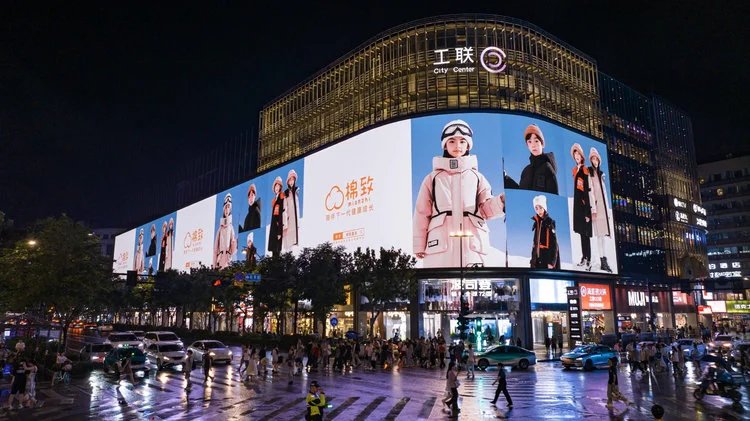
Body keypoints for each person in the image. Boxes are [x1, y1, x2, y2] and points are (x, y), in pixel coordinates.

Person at [413, 119, 505, 268]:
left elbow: (485, 210)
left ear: (468, 145)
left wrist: (501, 202)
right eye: (452, 141)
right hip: (440, 248)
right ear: (445, 145)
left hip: (472, 247)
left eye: (462, 141)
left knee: (472, 282)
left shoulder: (477, 177)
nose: (458, 146)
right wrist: (419, 244)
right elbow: (421, 212)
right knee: (440, 282)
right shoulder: (432, 178)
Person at [506, 123, 559, 194]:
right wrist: (505, 178)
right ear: (527, 146)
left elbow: (554, 196)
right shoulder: (526, 171)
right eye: (529, 142)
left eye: (536, 141)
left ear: (542, 144)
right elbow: (521, 194)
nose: (533, 145)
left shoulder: (547, 168)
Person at [587, 147, 613, 272]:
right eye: (593, 159)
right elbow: (590, 192)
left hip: (603, 209)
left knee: (603, 236)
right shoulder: (590, 173)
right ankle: (601, 260)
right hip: (597, 209)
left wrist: (607, 211)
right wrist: (593, 209)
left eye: (596, 159)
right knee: (598, 236)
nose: (595, 161)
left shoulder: (601, 174)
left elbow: (605, 195)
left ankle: (604, 259)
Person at [571, 143, 593, 271]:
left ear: (582, 156)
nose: (577, 156)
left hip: (584, 206)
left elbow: (586, 191)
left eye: (578, 154)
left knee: (586, 235)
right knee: (581, 233)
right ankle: (584, 257)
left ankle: (588, 259)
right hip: (577, 206)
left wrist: (587, 212)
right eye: (575, 154)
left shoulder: (585, 170)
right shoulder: (575, 170)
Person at [529, 195, 560, 269]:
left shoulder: (549, 222)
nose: (538, 211)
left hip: (546, 260)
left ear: (544, 207)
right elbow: (535, 244)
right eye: (536, 208)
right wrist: (532, 261)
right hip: (537, 260)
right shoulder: (537, 223)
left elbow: (554, 244)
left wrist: (551, 262)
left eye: (540, 207)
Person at [214, 193, 238, 268]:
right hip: (220, 261)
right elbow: (215, 250)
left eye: (228, 207)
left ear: (230, 209)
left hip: (228, 261)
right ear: (223, 209)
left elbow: (233, 251)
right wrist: (214, 266)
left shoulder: (231, 227)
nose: (227, 210)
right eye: (226, 207)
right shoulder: (220, 229)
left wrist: (234, 243)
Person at [282, 169, 301, 251]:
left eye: (293, 179)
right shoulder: (286, 193)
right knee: (288, 247)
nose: (291, 181)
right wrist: (285, 225)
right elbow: (284, 209)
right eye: (290, 179)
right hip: (289, 224)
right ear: (287, 181)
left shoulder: (296, 192)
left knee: (295, 247)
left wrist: (298, 223)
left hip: (295, 223)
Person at [268, 176, 285, 256]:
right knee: (273, 250)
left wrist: (279, 232)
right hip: (273, 227)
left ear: (280, 187)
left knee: (277, 249)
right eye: (275, 186)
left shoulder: (281, 197)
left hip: (278, 227)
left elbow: (281, 215)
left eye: (278, 186)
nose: (277, 188)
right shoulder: (274, 200)